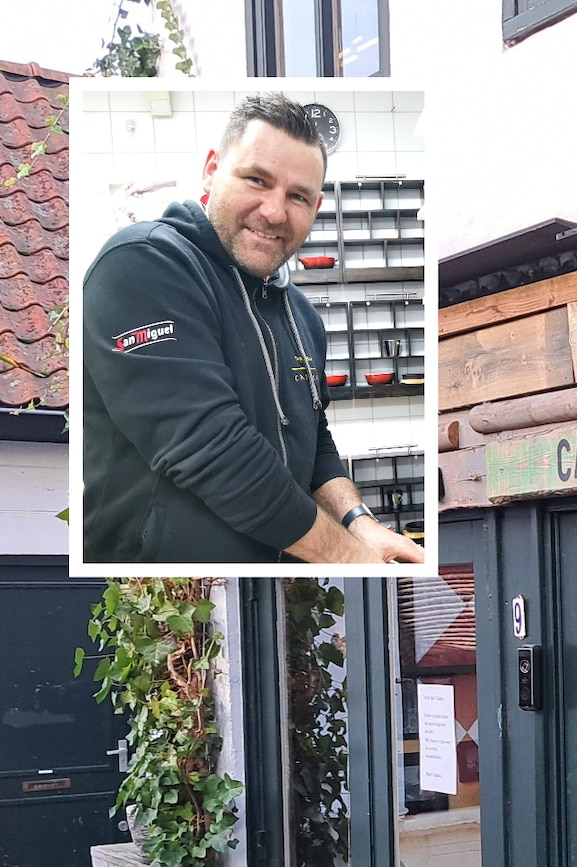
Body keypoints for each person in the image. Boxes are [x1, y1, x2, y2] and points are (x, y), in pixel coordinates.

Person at [81, 94, 425, 566]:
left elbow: (314, 439)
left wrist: (360, 524)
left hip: (274, 597)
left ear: (317, 206)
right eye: (256, 180)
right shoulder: (143, 264)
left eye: (298, 196)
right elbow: (214, 449)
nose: (275, 211)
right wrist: (353, 559)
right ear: (211, 169)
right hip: (164, 609)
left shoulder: (299, 313)